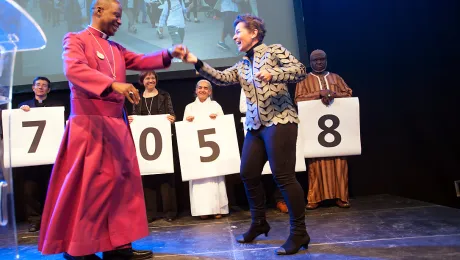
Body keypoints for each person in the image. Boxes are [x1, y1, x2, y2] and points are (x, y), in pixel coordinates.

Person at [37, 0, 187, 259]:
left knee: (121, 188)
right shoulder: (76, 39)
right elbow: (73, 68)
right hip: (89, 127)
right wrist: (113, 85)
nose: (120, 20)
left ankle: (118, 246)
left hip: (116, 126)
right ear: (98, 11)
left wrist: (168, 53)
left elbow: (140, 59)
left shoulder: (115, 47)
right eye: (116, 15)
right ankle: (79, 249)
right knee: (90, 189)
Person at [182, 14, 310, 255]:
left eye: (238, 31)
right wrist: (197, 62)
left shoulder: (274, 51)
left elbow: (300, 70)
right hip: (255, 126)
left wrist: (274, 75)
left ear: (253, 33)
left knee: (283, 177)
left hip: (280, 120)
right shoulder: (242, 65)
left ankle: (299, 232)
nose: (234, 36)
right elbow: (221, 78)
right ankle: (259, 222)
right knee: (248, 173)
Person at [294, 49, 353, 210]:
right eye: (315, 60)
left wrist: (333, 94)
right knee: (316, 162)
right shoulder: (304, 79)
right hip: (315, 130)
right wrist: (318, 94)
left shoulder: (335, 78)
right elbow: (298, 99)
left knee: (340, 161)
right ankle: (315, 198)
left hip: (337, 130)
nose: (319, 63)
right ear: (310, 62)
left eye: (322, 59)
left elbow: (348, 94)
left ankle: (342, 196)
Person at [16, 76, 67, 233]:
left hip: (52, 156)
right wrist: (20, 114)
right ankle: (35, 220)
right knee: (30, 190)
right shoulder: (23, 107)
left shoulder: (57, 107)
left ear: (48, 90)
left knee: (52, 189)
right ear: (32, 88)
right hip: (31, 158)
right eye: (38, 85)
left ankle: (53, 220)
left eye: (44, 85)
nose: (40, 87)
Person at [127, 70, 178, 223]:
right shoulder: (137, 97)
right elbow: (134, 116)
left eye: (153, 77)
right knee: (147, 176)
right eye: (147, 78)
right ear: (142, 81)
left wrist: (172, 119)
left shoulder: (164, 95)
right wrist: (131, 120)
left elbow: (172, 115)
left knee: (166, 176)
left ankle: (169, 211)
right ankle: (150, 212)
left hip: (163, 141)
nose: (151, 80)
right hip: (145, 143)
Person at [183, 79, 229, 220]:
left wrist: (217, 119)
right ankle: (202, 209)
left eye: (205, 88)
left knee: (215, 177)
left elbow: (223, 125)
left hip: (213, 150)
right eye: (200, 88)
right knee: (199, 178)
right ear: (196, 90)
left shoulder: (215, 105)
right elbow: (184, 129)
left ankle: (218, 208)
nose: (202, 90)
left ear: (210, 91)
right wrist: (188, 122)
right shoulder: (189, 107)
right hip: (197, 151)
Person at [239, 88, 288, 214]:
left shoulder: (272, 75)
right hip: (254, 126)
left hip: (275, 124)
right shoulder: (246, 77)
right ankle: (259, 210)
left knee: (280, 167)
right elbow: (242, 107)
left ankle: (281, 199)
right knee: (249, 171)